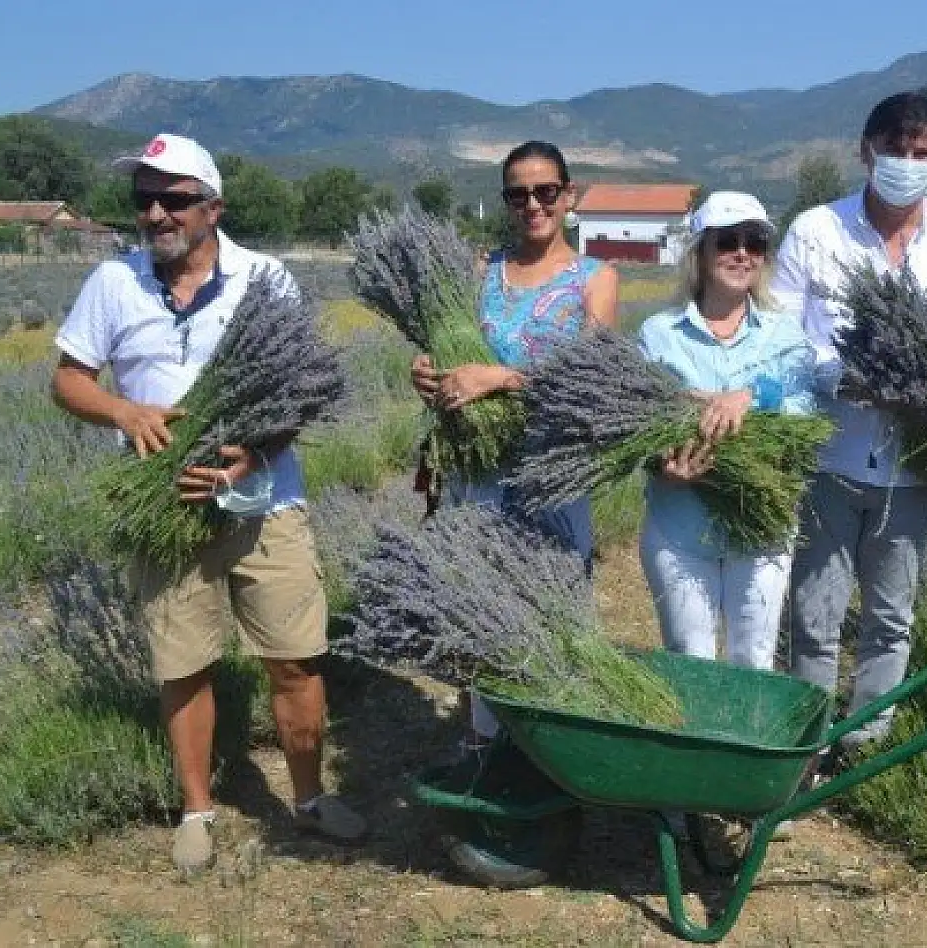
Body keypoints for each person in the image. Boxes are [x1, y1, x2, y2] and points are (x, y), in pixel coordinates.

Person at [51, 133, 366, 874]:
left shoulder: (268, 279)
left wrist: (253, 453)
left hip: (266, 503)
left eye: (175, 199)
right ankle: (198, 810)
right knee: (184, 665)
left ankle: (311, 799)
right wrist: (125, 414)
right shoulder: (112, 282)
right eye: (144, 200)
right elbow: (69, 380)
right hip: (161, 513)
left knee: (293, 660)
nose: (157, 213)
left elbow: (302, 389)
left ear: (213, 207)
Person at [771, 88, 927, 752]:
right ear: (866, 151)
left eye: (922, 153)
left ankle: (864, 744)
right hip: (828, 455)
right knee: (814, 613)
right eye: (894, 150)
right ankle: (805, 746)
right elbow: (781, 337)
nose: (907, 163)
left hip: (916, 466)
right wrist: (843, 377)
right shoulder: (815, 231)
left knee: (889, 617)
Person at [410, 140, 620, 560]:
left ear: (568, 195)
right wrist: (428, 372)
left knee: (549, 597)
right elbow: (453, 353)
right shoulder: (481, 270)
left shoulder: (596, 279)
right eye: (517, 195)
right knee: (470, 597)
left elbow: (590, 384)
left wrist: (498, 378)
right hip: (474, 467)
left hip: (549, 468)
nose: (533, 205)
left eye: (546, 192)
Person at [638, 192, 816, 670]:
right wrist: (663, 464)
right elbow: (634, 423)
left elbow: (806, 414)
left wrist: (752, 397)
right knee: (689, 662)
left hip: (761, 533)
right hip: (680, 527)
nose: (742, 253)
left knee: (753, 662)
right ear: (700, 252)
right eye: (727, 242)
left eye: (754, 243)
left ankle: (740, 745)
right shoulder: (658, 334)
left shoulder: (785, 334)